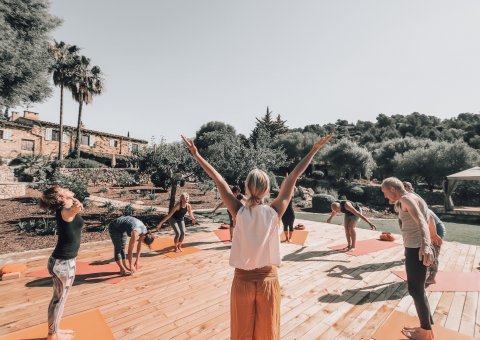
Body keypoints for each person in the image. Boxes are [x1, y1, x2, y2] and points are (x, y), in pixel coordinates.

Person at [182, 133, 333, 339]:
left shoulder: (238, 211)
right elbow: (293, 177)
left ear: (246, 187)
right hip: (267, 283)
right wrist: (314, 149)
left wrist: (197, 155)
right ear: (267, 189)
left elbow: (218, 179)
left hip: (242, 282)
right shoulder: (275, 212)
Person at [381, 177, 435, 340]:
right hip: (417, 248)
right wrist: (432, 239)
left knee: (415, 290)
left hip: (416, 250)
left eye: (385, 192)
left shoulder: (405, 198)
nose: (385, 196)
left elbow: (420, 220)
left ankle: (426, 333)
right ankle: (427, 325)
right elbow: (429, 217)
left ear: (392, 189)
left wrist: (426, 245)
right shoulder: (414, 196)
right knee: (419, 289)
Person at [39, 186, 84, 340]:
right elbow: (75, 209)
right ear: (60, 196)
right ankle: (52, 335)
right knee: (59, 300)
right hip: (62, 263)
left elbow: (76, 208)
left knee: (60, 299)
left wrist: (72, 199)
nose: (67, 188)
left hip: (64, 261)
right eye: (63, 189)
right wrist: (74, 202)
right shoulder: (67, 212)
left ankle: (56, 330)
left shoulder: (66, 210)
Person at [402, 181, 445, 286]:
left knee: (433, 253)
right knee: (425, 252)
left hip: (435, 227)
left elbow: (429, 217)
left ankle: (432, 277)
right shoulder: (404, 200)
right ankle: (424, 274)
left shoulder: (412, 199)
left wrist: (434, 234)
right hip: (426, 227)